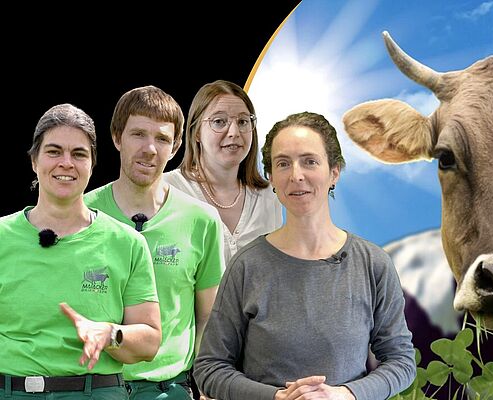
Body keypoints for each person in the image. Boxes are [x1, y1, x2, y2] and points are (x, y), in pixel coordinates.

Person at [195, 112, 416, 400]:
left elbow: (401, 362)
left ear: (334, 172)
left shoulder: (373, 264)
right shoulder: (247, 266)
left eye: (310, 161)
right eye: (283, 164)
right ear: (271, 177)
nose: (296, 175)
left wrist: (345, 394)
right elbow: (210, 368)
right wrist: (276, 398)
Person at [0, 103, 161, 399]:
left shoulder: (126, 243)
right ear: (34, 160)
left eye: (79, 154)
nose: (66, 163)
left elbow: (150, 342)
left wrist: (111, 333)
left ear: (92, 164)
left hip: (94, 391)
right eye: (53, 151)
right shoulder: (2, 236)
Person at [85, 86, 225, 399]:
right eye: (138, 134)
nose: (149, 148)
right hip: (91, 387)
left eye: (162, 138)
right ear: (117, 137)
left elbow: (208, 318)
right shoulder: (81, 214)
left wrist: (206, 385)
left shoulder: (201, 220)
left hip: (167, 389)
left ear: (176, 146)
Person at [163, 80, 282, 265]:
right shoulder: (167, 190)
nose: (234, 132)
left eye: (243, 121)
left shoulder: (269, 195)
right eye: (219, 122)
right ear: (196, 132)